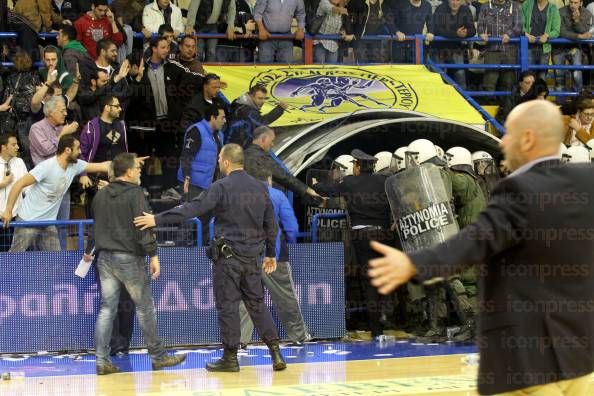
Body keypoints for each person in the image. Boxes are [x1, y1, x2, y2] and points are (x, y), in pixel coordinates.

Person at [368, 100, 594, 395]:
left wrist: (413, 264)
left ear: (528, 139)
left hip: (526, 360)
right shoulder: (587, 182)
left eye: (509, 134)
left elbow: (472, 243)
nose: (504, 142)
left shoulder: (519, 190)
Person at [134, 144, 287, 372]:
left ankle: (230, 359)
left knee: (228, 307)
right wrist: (271, 254)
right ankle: (276, 354)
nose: (217, 162)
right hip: (253, 259)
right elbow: (271, 224)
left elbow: (194, 208)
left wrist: (158, 219)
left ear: (225, 162)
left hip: (228, 259)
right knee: (257, 305)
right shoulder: (260, 188)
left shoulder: (221, 187)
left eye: (218, 158)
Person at [91, 152, 186, 375]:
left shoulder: (101, 195)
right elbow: (142, 226)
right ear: (129, 171)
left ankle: (102, 361)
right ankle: (158, 357)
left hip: (104, 257)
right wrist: (153, 254)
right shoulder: (135, 194)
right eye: (138, 168)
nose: (141, 171)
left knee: (106, 310)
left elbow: (96, 227)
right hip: (128, 257)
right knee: (145, 308)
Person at [314, 149, 393, 337]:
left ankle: (376, 328)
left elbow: (329, 190)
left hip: (362, 237)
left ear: (357, 166)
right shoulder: (384, 182)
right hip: (384, 236)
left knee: (369, 281)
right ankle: (388, 314)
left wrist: (316, 185)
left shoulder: (350, 183)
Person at [238, 164, 309, 347]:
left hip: (246, 256)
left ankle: (239, 340)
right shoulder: (277, 195)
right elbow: (291, 227)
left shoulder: (239, 196)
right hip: (275, 256)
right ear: (269, 179)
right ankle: (299, 336)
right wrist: (287, 243)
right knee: (285, 299)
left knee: (246, 300)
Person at [1, 135, 111, 252]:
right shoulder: (46, 167)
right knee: (15, 257)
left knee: (55, 261)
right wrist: (8, 210)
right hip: (28, 221)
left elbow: (102, 166)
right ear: (67, 150)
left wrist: (125, 163)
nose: (80, 151)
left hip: (49, 223)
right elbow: (19, 184)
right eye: (78, 148)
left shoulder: (76, 165)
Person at [244, 126, 323, 206]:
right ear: (263, 139)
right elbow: (283, 176)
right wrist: (308, 190)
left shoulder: (245, 154)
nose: (272, 144)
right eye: (271, 141)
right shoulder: (259, 156)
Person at [178, 105, 226, 201]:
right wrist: (186, 176)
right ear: (213, 117)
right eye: (222, 118)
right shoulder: (196, 130)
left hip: (210, 183)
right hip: (194, 183)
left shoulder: (220, 134)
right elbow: (187, 155)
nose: (225, 121)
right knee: (192, 213)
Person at [477, 0, 523, 94]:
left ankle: (507, 107)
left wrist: (509, 34)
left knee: (508, 82)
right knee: (489, 81)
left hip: (509, 50)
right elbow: (480, 24)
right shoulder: (485, 6)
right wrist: (481, 33)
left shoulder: (515, 6)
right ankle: (489, 106)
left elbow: (518, 26)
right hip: (491, 49)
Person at [554, 0, 592, 94]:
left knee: (577, 75)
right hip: (559, 48)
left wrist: (577, 21)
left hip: (576, 48)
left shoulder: (587, 13)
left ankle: (578, 103)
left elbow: (586, 33)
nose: (573, 5)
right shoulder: (560, 11)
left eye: (576, 3)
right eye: (571, 2)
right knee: (559, 78)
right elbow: (560, 32)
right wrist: (577, 36)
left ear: (581, 3)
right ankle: (561, 106)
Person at [0, 135, 28, 251]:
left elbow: (27, 186)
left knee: (15, 255)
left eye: (17, 144)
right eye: (13, 144)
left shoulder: (20, 162)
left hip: (17, 216)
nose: (17, 147)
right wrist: (3, 183)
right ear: (3, 147)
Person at [521, 0, 561, 81]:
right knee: (528, 78)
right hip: (528, 47)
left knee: (542, 78)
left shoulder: (553, 8)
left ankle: (539, 94)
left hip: (544, 49)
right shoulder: (527, 4)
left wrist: (547, 35)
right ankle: (530, 94)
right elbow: (520, 24)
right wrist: (526, 33)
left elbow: (556, 30)